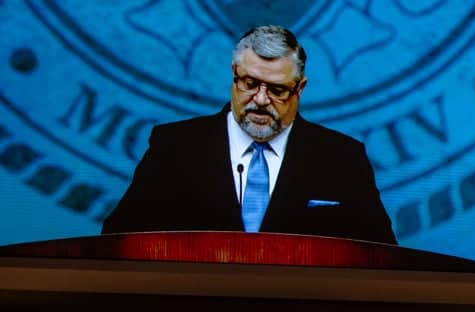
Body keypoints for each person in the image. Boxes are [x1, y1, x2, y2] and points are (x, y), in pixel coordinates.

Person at [103, 25, 396, 245]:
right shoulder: (175, 146)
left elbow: (380, 256)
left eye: (277, 89)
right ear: (234, 74)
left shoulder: (342, 157)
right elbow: (119, 241)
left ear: (300, 88)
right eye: (250, 83)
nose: (260, 99)